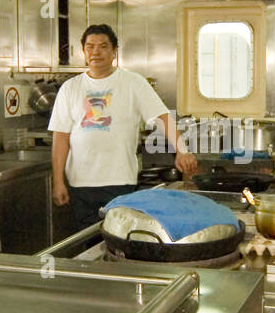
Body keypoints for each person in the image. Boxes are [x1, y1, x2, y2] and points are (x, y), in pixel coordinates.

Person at [49, 24, 199, 229]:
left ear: (114, 52)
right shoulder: (70, 88)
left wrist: (182, 150)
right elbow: (61, 137)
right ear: (83, 52)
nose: (95, 52)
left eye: (102, 46)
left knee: (119, 238)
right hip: (80, 184)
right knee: (85, 243)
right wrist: (58, 181)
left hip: (119, 180)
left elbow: (162, 117)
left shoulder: (132, 82)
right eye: (90, 47)